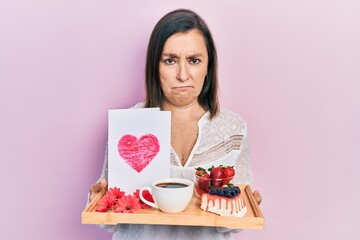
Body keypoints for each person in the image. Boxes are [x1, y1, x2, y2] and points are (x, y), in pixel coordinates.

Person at [89, 8, 262, 240]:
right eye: (170, 60)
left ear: (208, 67)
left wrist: (241, 208)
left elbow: (230, 222)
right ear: (155, 67)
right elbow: (112, 218)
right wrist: (97, 200)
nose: (182, 75)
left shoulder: (232, 129)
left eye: (194, 60)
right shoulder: (130, 123)